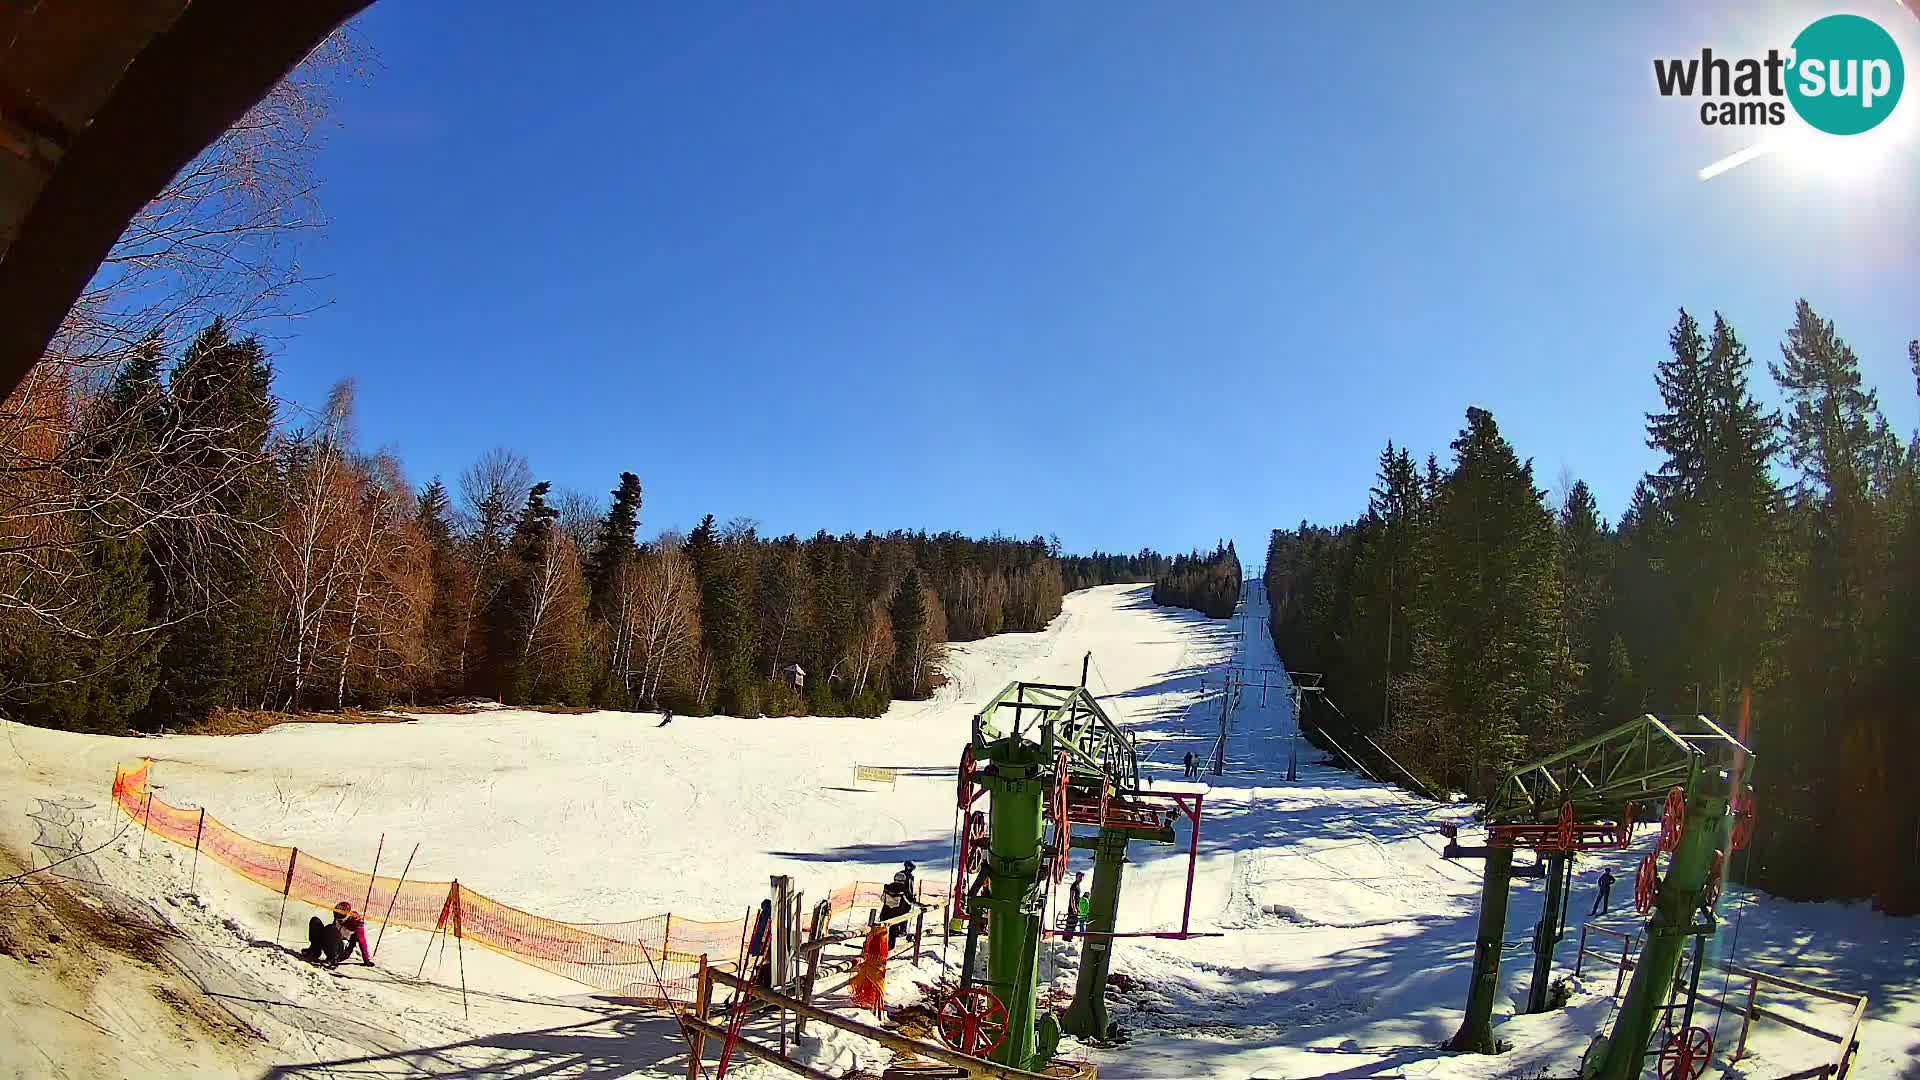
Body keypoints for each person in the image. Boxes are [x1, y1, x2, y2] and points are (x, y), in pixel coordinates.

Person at [301, 901, 357, 967]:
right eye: (336, 914)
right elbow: (333, 934)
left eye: (340, 915)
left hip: (340, 951)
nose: (337, 918)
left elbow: (362, 942)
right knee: (315, 921)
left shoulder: (355, 923)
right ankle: (314, 950)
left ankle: (332, 959)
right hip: (333, 945)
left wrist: (366, 960)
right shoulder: (337, 920)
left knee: (331, 928)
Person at [1064, 872, 1086, 936]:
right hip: (1072, 908)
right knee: (1070, 923)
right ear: (1076, 877)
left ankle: (1070, 936)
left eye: (1081, 877)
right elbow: (1072, 897)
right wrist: (1073, 908)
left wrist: (1078, 907)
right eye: (1079, 877)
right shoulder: (1074, 885)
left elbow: (1077, 898)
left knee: (1074, 922)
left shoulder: (1078, 885)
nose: (1081, 878)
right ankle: (1067, 936)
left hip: (1076, 907)